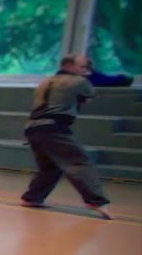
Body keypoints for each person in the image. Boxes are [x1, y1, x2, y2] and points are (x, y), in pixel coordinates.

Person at [20, 54, 112, 219]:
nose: (85, 70)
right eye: (82, 67)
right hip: (54, 127)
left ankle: (32, 197)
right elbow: (90, 95)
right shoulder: (79, 81)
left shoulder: (45, 81)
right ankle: (96, 201)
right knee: (78, 161)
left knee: (50, 167)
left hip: (33, 128)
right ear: (68, 66)